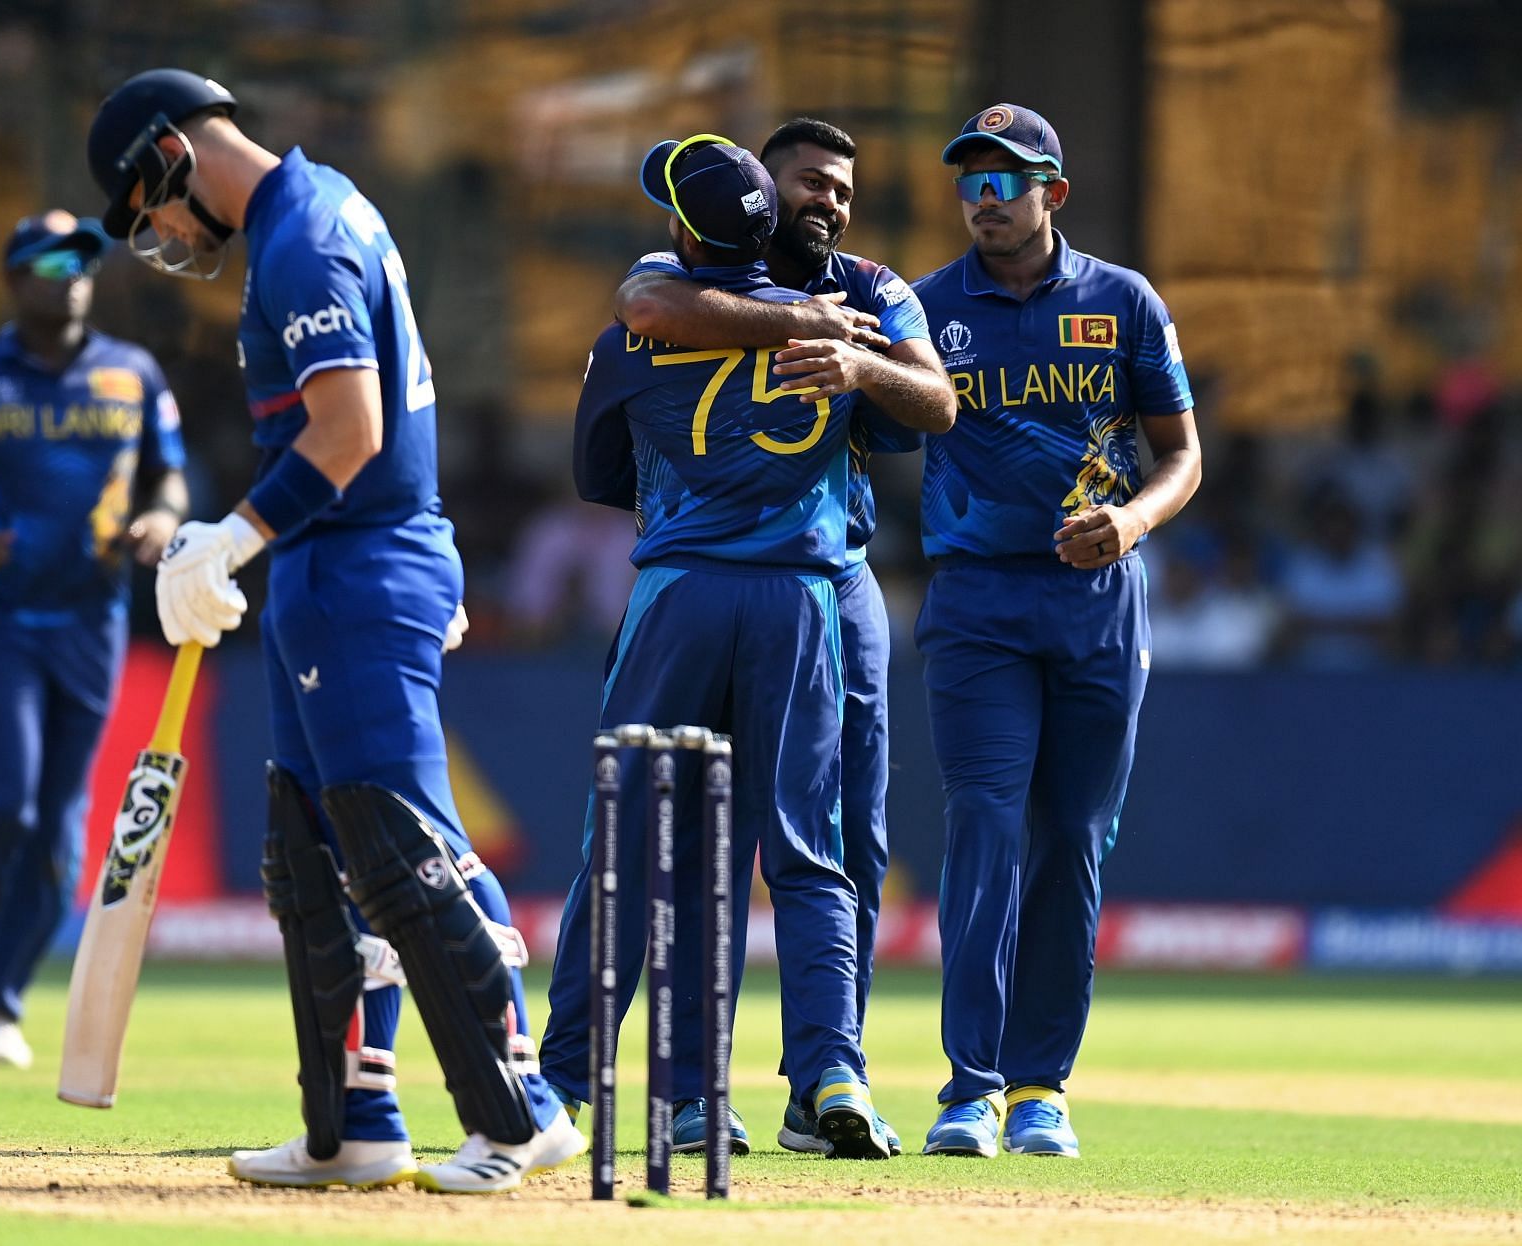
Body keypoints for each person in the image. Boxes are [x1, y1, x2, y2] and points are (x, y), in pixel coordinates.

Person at [83, 68, 581, 1194]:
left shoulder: (304, 236)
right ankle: (352, 1121)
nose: (160, 233)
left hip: (360, 561)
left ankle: (524, 1106)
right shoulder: (322, 209)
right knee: (316, 846)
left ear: (170, 154)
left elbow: (351, 430)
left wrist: (232, 539)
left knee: (401, 835)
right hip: (338, 561)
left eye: (147, 206)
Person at [584, 116, 956, 1156]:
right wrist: (796, 317)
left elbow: (937, 401)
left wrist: (859, 363)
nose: (827, 202)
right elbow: (643, 302)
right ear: (760, 188)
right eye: (807, 183)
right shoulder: (690, 271)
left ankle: (824, 1075)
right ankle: (696, 1087)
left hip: (836, 582)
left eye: (842, 186)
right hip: (722, 573)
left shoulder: (877, 289)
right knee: (706, 840)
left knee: (845, 838)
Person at [908, 104, 1202, 1157]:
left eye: (1006, 179)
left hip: (1095, 606)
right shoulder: (928, 307)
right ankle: (968, 1087)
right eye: (970, 181)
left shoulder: (1122, 303)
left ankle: (1041, 1087)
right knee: (984, 825)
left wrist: (1127, 521)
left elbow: (1182, 455)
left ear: (1054, 193)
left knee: (1072, 841)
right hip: (979, 601)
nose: (984, 199)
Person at [0, 210, 189, 1070]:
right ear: (16, 279)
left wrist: (163, 514)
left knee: (58, 826)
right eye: (52, 263)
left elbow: (168, 470)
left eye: (84, 262)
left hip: (93, 618)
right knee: (6, 804)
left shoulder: (133, 375)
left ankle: (4, 1004)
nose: (73, 276)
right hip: (0, 617)